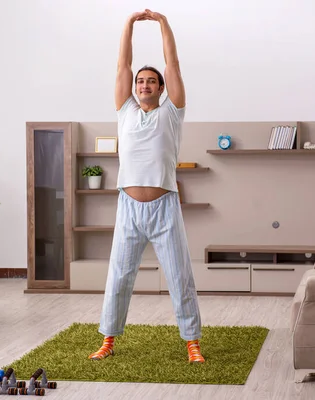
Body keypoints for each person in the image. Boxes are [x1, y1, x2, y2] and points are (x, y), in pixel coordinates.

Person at [88, 9, 204, 364]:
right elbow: (123, 65)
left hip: (165, 205)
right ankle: (108, 339)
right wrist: (128, 26)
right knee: (119, 275)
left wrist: (163, 24)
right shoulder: (125, 110)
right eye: (140, 82)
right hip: (128, 206)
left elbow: (174, 65)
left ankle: (192, 343)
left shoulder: (172, 112)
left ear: (161, 87)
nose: (143, 85)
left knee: (179, 274)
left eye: (151, 81)